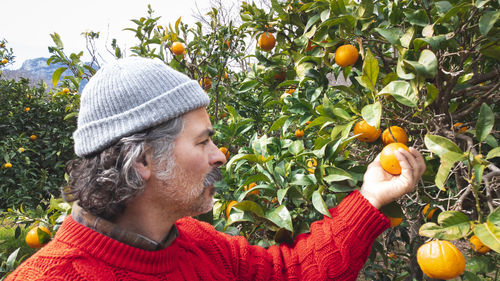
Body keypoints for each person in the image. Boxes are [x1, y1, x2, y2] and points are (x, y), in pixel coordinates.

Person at [6, 57, 426, 281]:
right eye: (203, 140)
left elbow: (290, 274)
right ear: (144, 160)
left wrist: (371, 197)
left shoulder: (196, 243)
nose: (220, 155)